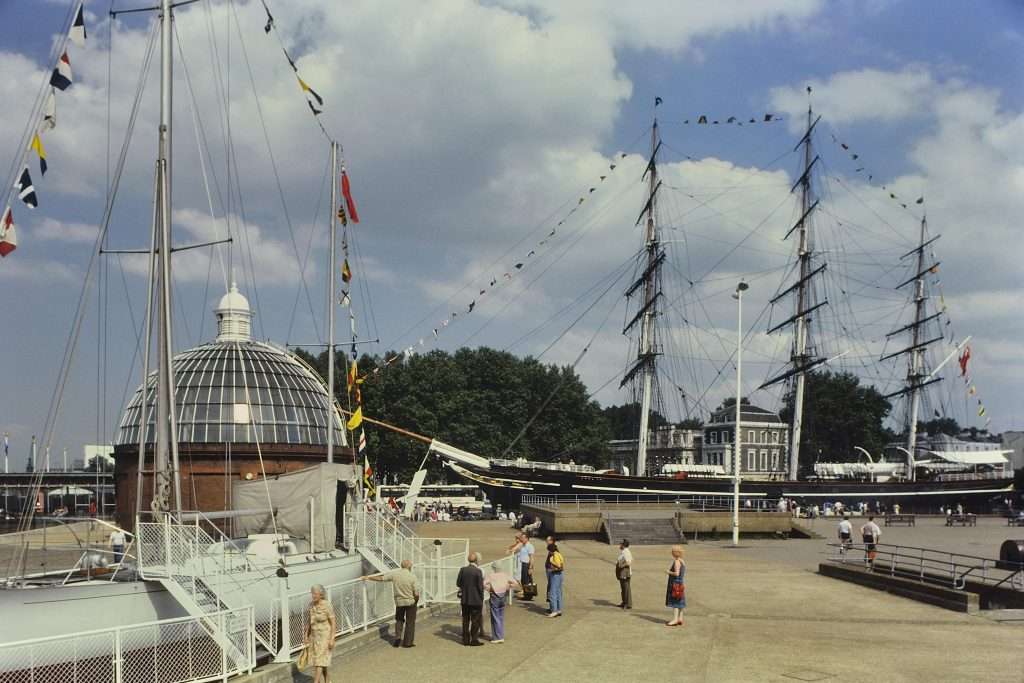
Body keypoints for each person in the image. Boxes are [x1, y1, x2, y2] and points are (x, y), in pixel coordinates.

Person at [362, 559, 420, 648]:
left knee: (399, 620)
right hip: (410, 602)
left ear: (401, 566)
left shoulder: (395, 574)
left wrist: (368, 577)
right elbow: (416, 593)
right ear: (410, 567)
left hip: (399, 602)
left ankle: (397, 638)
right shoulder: (412, 577)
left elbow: (381, 578)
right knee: (410, 622)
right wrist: (416, 601)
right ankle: (407, 643)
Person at [304, 584, 337, 683]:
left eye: (315, 593)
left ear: (321, 595)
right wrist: (306, 635)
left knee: (319, 661)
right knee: (320, 661)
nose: (313, 596)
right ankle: (327, 680)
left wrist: (332, 639)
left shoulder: (327, 605)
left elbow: (333, 623)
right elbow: (309, 621)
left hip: (325, 636)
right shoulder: (311, 605)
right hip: (314, 636)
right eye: (312, 593)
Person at [484, 562, 519, 644]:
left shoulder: (491, 576)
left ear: (493, 568)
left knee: (495, 616)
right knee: (500, 616)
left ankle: (497, 637)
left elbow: (483, 584)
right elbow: (515, 583)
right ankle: (500, 635)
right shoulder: (505, 575)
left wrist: (490, 588)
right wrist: (507, 587)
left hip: (494, 596)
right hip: (503, 596)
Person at [456, 552, 485, 646]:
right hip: (475, 599)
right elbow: (480, 587)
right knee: (475, 620)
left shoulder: (463, 570)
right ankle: (474, 639)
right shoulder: (478, 571)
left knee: (465, 620)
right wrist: (481, 598)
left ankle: (465, 639)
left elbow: (458, 583)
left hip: (465, 599)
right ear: (476, 560)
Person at [507, 532, 535, 600]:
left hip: (526, 564)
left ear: (527, 538)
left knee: (527, 581)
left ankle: (528, 596)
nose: (522, 539)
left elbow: (531, 558)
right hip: (523, 564)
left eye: (523, 538)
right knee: (524, 581)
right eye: (521, 538)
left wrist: (531, 567)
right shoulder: (523, 545)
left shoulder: (530, 546)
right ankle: (527, 595)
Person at [665, 545, 686, 626]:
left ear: (675, 553)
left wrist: (668, 572)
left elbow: (677, 573)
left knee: (675, 602)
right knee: (680, 600)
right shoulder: (682, 561)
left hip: (675, 583)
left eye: (672, 551)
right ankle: (680, 618)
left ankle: (675, 619)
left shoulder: (677, 562)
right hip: (680, 583)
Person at [545, 542, 565, 618]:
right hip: (560, 575)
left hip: (555, 575)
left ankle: (554, 610)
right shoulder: (559, 554)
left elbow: (559, 566)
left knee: (552, 592)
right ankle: (559, 609)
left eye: (549, 551)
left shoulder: (555, 555)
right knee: (558, 592)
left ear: (551, 550)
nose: (549, 552)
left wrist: (552, 569)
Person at [616, 539, 633, 609]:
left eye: (621, 544)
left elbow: (629, 562)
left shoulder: (626, 552)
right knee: (623, 588)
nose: (619, 545)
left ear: (623, 545)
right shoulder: (624, 551)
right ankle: (624, 602)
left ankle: (627, 604)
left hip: (625, 573)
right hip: (622, 572)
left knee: (626, 589)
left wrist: (621, 566)